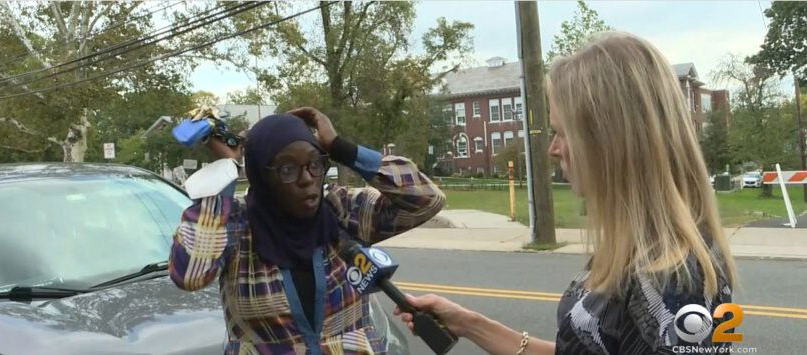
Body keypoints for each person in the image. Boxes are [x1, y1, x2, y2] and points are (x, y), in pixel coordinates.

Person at [395, 32, 738, 354]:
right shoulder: (638, 248)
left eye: (562, 132)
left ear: (609, 141)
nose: (552, 149)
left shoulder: (674, 281)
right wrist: (470, 324)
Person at [168, 107, 445, 354]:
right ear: (262, 175)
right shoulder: (236, 226)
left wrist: (340, 147)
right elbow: (189, 275)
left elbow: (426, 200)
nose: (307, 179)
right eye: (288, 169)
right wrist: (226, 170)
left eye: (315, 163)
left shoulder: (341, 210)